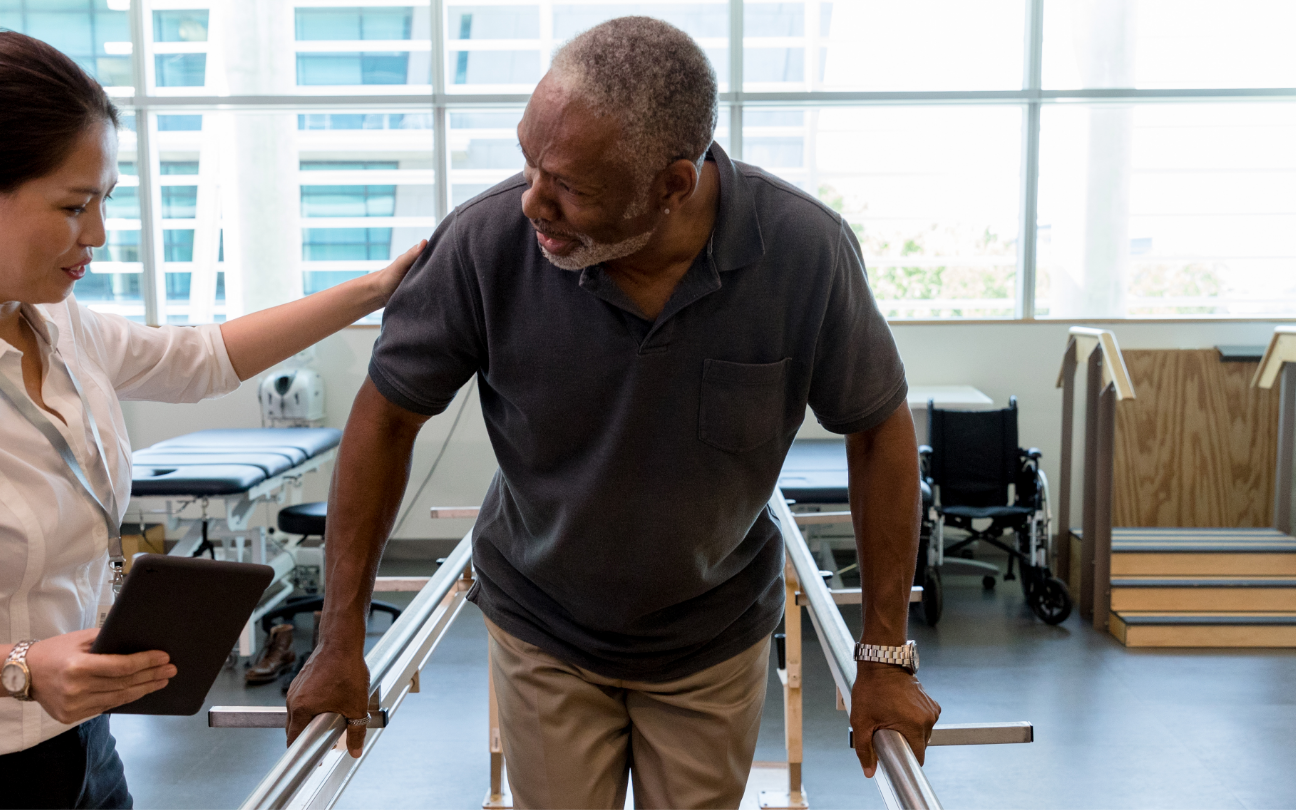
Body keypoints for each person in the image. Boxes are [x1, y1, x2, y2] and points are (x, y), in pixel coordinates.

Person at [0, 32, 421, 810]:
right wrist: (20, 665)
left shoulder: (55, 326)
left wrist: (374, 290)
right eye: (72, 206)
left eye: (105, 201)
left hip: (79, 751)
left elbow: (200, 359)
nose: (95, 235)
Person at [287, 16, 938, 810]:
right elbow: (385, 419)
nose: (533, 202)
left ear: (673, 185)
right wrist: (338, 638)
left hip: (712, 635)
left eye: (569, 187)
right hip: (544, 626)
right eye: (529, 161)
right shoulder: (488, 243)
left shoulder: (803, 252)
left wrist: (885, 657)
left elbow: (878, 431)